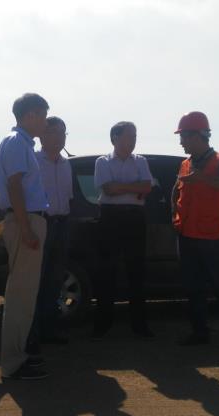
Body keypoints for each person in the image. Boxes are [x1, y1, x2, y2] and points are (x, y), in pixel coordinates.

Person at [170, 111, 219, 352]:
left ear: (197, 136)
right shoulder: (185, 164)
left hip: (212, 237)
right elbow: (176, 191)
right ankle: (200, 332)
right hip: (187, 235)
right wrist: (174, 216)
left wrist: (202, 178)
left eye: (183, 137)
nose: (181, 142)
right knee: (193, 288)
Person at [0, 93, 50, 380]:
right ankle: (14, 362)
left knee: (23, 296)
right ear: (30, 115)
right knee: (21, 296)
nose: (45, 123)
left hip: (26, 220)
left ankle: (18, 357)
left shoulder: (21, 143)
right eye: (43, 116)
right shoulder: (17, 142)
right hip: (25, 221)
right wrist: (26, 228)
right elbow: (14, 186)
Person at [92, 121, 154, 339]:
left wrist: (121, 186)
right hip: (111, 217)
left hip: (135, 218)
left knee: (136, 271)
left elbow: (147, 187)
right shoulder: (102, 162)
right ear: (115, 138)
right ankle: (103, 324)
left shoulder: (141, 161)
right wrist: (133, 187)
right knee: (107, 271)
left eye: (135, 136)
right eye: (129, 136)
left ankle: (139, 325)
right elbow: (108, 189)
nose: (133, 140)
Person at [30, 116, 73, 346]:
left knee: (55, 279)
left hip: (61, 223)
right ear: (42, 136)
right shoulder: (33, 161)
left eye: (62, 132)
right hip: (40, 223)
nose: (59, 137)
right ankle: (32, 332)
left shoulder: (67, 164)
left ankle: (49, 329)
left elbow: (69, 197)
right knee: (36, 279)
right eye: (54, 132)